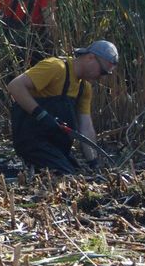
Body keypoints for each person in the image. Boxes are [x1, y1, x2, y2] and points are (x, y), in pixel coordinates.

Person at [6, 40, 118, 175]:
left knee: (77, 174)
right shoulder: (56, 67)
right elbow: (15, 86)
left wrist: (93, 162)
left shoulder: (84, 88)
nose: (101, 77)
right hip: (33, 141)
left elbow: (86, 127)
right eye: (102, 72)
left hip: (57, 146)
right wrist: (41, 115)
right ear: (90, 58)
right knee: (64, 175)